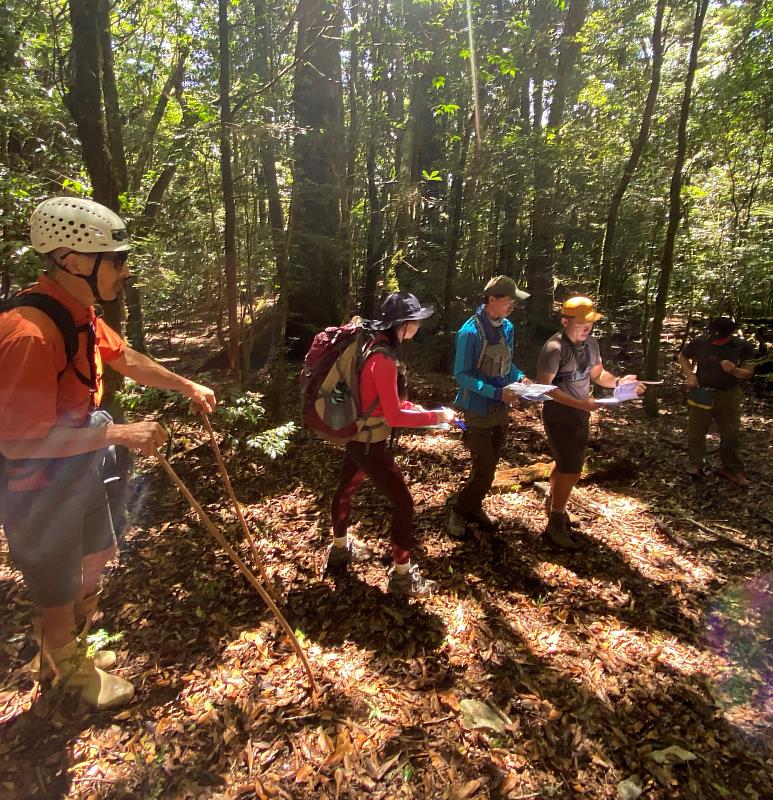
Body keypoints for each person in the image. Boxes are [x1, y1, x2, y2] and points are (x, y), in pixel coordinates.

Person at [0, 197, 216, 709]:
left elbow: (125, 358)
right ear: (73, 260)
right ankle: (64, 665)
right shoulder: (29, 333)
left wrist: (186, 385)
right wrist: (117, 435)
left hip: (76, 458)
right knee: (54, 571)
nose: (125, 269)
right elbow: (16, 441)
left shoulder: (77, 314)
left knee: (97, 550)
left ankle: (61, 646)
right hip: (35, 477)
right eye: (115, 259)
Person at [326, 292, 454, 597]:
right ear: (402, 324)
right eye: (415, 322)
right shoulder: (382, 359)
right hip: (370, 443)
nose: (418, 327)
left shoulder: (373, 346)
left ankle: (340, 549)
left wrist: (418, 411)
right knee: (404, 504)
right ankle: (401, 576)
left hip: (360, 438)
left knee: (345, 490)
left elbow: (384, 404)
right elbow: (394, 416)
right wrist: (436, 417)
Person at [535, 297, 644, 549]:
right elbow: (545, 388)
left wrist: (619, 383)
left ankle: (553, 501)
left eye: (590, 323)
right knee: (572, 468)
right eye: (582, 323)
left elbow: (598, 375)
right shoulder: (554, 348)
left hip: (581, 414)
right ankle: (556, 520)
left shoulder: (591, 344)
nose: (587, 328)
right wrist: (580, 404)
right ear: (565, 321)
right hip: (559, 415)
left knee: (567, 463)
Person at [447, 275, 532, 539]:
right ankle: (459, 512)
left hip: (500, 410)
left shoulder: (507, 327)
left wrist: (521, 378)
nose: (511, 307)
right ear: (492, 300)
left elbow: (507, 363)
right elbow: (461, 375)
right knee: (485, 468)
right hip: (477, 411)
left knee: (490, 466)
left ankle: (475, 507)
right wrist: (496, 392)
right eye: (508, 302)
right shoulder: (469, 332)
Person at [677, 316, 755, 485]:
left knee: (731, 434)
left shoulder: (742, 346)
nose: (715, 340)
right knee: (696, 431)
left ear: (730, 334)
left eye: (720, 337)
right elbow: (682, 357)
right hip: (701, 392)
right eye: (713, 335)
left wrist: (734, 370)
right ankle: (696, 465)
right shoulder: (700, 342)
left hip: (728, 394)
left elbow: (748, 373)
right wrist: (690, 374)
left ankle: (732, 469)